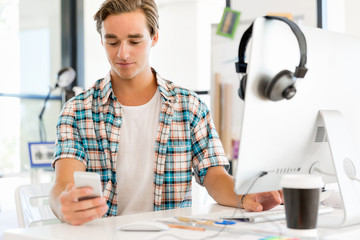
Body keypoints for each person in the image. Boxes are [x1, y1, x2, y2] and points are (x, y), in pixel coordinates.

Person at [49, 0, 282, 226]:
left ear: (154, 37)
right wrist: (63, 205)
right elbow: (62, 184)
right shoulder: (77, 110)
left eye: (134, 41)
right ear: (102, 40)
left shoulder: (189, 106)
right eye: (112, 42)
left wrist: (245, 196)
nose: (123, 53)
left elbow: (216, 177)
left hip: (171, 234)